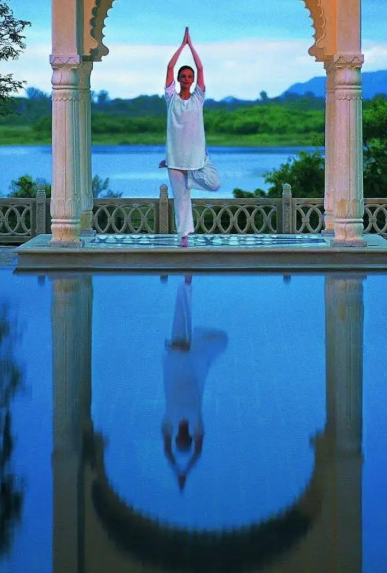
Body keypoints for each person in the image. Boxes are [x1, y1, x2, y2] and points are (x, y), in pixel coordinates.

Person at [161, 275, 227, 491]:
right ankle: (186, 283)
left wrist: (178, 469)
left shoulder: (170, 421)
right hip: (191, 364)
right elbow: (198, 450)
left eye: (178, 439)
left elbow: (168, 450)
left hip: (177, 361)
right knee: (184, 322)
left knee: (181, 320)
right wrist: (185, 470)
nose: (181, 436)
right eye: (183, 439)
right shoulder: (195, 423)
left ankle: (186, 284)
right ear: (188, 437)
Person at [160, 28, 220, 246]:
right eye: (183, 76)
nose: (186, 79)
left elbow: (201, 67)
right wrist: (180, 47)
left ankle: (191, 178)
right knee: (182, 200)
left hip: (195, 158)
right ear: (178, 79)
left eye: (189, 76)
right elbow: (169, 67)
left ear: (193, 80)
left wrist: (190, 46)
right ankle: (184, 236)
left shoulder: (198, 99)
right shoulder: (171, 99)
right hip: (175, 160)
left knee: (215, 183)